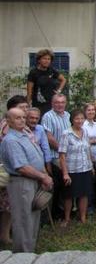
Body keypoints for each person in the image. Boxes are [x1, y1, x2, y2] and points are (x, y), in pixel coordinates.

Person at [0, 108, 53, 252]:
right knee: (24, 220)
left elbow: (36, 156)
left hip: (33, 181)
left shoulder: (23, 135)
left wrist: (44, 174)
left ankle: (30, 252)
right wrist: (43, 176)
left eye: (23, 117)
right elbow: (21, 167)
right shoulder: (11, 140)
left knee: (33, 218)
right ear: (8, 121)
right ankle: (23, 256)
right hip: (21, 182)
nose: (22, 120)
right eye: (17, 118)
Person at [58, 109, 93, 226]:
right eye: (77, 118)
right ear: (72, 120)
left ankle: (82, 217)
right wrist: (65, 173)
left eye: (82, 118)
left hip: (85, 168)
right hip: (71, 169)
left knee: (84, 194)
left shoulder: (85, 132)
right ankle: (67, 218)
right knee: (69, 195)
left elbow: (87, 149)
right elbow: (62, 155)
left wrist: (91, 166)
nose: (80, 121)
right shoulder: (66, 134)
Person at [41, 94, 71, 219]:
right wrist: (62, 151)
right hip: (56, 156)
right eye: (57, 102)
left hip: (68, 155)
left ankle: (65, 211)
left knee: (67, 185)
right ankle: (55, 214)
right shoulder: (48, 116)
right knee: (58, 185)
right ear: (52, 103)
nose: (60, 105)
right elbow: (49, 137)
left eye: (62, 102)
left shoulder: (68, 115)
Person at [26, 49, 66, 113]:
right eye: (44, 59)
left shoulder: (52, 70)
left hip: (52, 104)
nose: (47, 61)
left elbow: (63, 80)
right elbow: (29, 91)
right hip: (39, 104)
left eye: (48, 59)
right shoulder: (33, 73)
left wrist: (59, 91)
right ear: (39, 60)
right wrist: (28, 105)